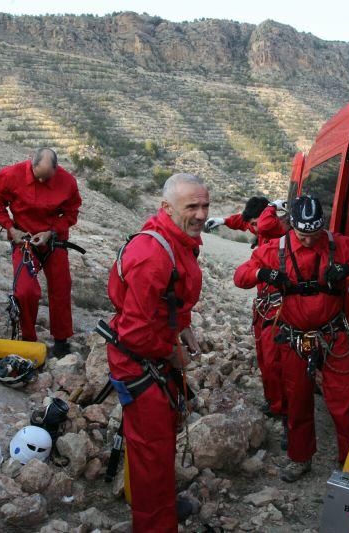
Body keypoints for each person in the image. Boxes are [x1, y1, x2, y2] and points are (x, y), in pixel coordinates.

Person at [234, 196, 349, 482]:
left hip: (333, 336)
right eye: (303, 235)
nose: (307, 241)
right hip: (295, 338)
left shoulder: (337, 244)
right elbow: (240, 276)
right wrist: (262, 272)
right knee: (297, 401)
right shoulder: (275, 249)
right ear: (292, 227)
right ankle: (300, 457)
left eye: (313, 235)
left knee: (346, 401)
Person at [106, 173, 208, 531]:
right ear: (166, 208)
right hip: (139, 362)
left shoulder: (180, 241)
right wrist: (171, 353)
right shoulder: (154, 255)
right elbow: (134, 333)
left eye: (204, 205)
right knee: (151, 450)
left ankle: (161, 505)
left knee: (161, 442)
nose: (200, 214)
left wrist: (184, 328)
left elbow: (169, 300)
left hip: (155, 355)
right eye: (191, 206)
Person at [0, 147, 81, 356]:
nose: (41, 182)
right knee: (25, 291)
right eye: (38, 177)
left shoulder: (68, 183)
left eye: (46, 179)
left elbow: (71, 213)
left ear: (56, 170)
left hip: (54, 241)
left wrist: (52, 231)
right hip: (25, 240)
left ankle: (61, 341)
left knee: (61, 288)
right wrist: (11, 228)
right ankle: (29, 340)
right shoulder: (10, 176)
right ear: (32, 163)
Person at [206, 198, 289, 424]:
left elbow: (260, 225)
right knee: (265, 357)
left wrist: (272, 206)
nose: (253, 227)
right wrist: (222, 220)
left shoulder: (275, 229)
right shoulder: (261, 227)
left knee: (274, 360)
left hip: (280, 305)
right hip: (265, 303)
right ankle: (275, 403)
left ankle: (285, 410)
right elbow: (244, 223)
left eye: (256, 221)